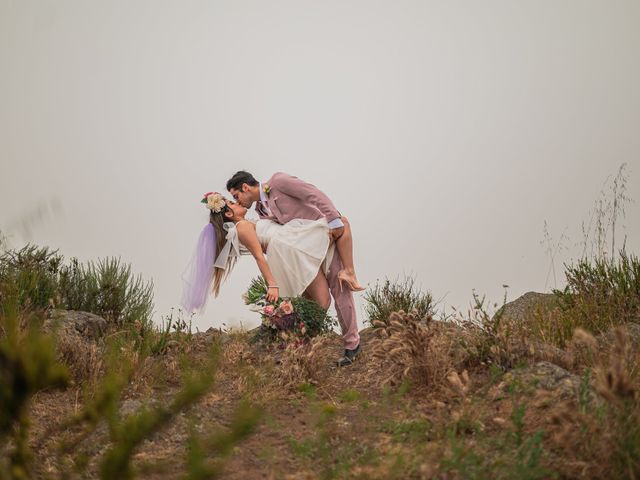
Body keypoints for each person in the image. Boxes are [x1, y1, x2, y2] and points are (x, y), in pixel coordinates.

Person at [226, 171, 363, 367]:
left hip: (325, 237)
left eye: (236, 196)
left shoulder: (278, 182)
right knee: (314, 298)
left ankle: (352, 345)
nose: (238, 201)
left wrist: (333, 220)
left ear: (245, 188)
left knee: (340, 289)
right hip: (304, 251)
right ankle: (300, 345)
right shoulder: (261, 211)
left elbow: (313, 194)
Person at [181, 192, 335, 329]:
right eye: (233, 203)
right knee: (323, 301)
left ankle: (294, 334)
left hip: (292, 249)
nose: (238, 203)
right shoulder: (242, 227)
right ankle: (307, 338)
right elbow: (258, 256)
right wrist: (272, 284)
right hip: (291, 253)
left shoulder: (247, 224)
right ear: (228, 214)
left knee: (308, 300)